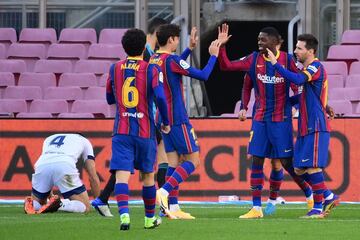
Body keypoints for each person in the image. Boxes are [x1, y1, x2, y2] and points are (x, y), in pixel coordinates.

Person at [217, 23, 311, 218]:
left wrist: (293, 106)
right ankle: (256, 208)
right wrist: (222, 46)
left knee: (285, 163)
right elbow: (228, 67)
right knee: (257, 160)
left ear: (277, 42)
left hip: (281, 119)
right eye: (258, 39)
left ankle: (310, 194)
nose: (259, 42)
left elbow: (298, 86)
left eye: (263, 39)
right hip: (260, 118)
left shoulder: (287, 60)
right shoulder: (253, 59)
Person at [150, 23, 221, 219]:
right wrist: (214, 54)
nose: (178, 41)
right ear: (171, 39)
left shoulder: (155, 59)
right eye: (177, 39)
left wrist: (189, 48)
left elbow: (174, 68)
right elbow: (203, 75)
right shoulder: (171, 60)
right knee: (193, 160)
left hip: (161, 119)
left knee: (174, 162)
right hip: (177, 118)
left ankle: (173, 208)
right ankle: (163, 192)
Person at [267, 33, 339, 218]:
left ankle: (317, 208)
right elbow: (305, 96)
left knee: (313, 167)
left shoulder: (315, 67)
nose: (295, 51)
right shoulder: (307, 70)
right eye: (296, 47)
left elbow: (298, 81)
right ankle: (329, 195)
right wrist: (284, 103)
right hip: (305, 127)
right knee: (298, 168)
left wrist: (276, 64)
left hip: (315, 125)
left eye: (299, 48)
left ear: (311, 51)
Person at [106, 28, 170, 230]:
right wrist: (166, 120)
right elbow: (160, 97)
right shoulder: (151, 69)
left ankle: (124, 217)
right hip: (145, 131)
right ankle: (149, 219)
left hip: (122, 130)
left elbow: (109, 98)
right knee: (148, 177)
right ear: (144, 47)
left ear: (124, 47)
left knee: (121, 176)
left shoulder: (114, 68)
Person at [24, 133, 100, 214]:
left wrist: (50, 198)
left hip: (41, 165)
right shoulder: (84, 141)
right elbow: (92, 176)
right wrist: (99, 203)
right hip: (64, 164)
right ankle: (60, 204)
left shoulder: (49, 138)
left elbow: (50, 165)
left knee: (40, 204)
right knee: (85, 206)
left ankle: (33, 204)